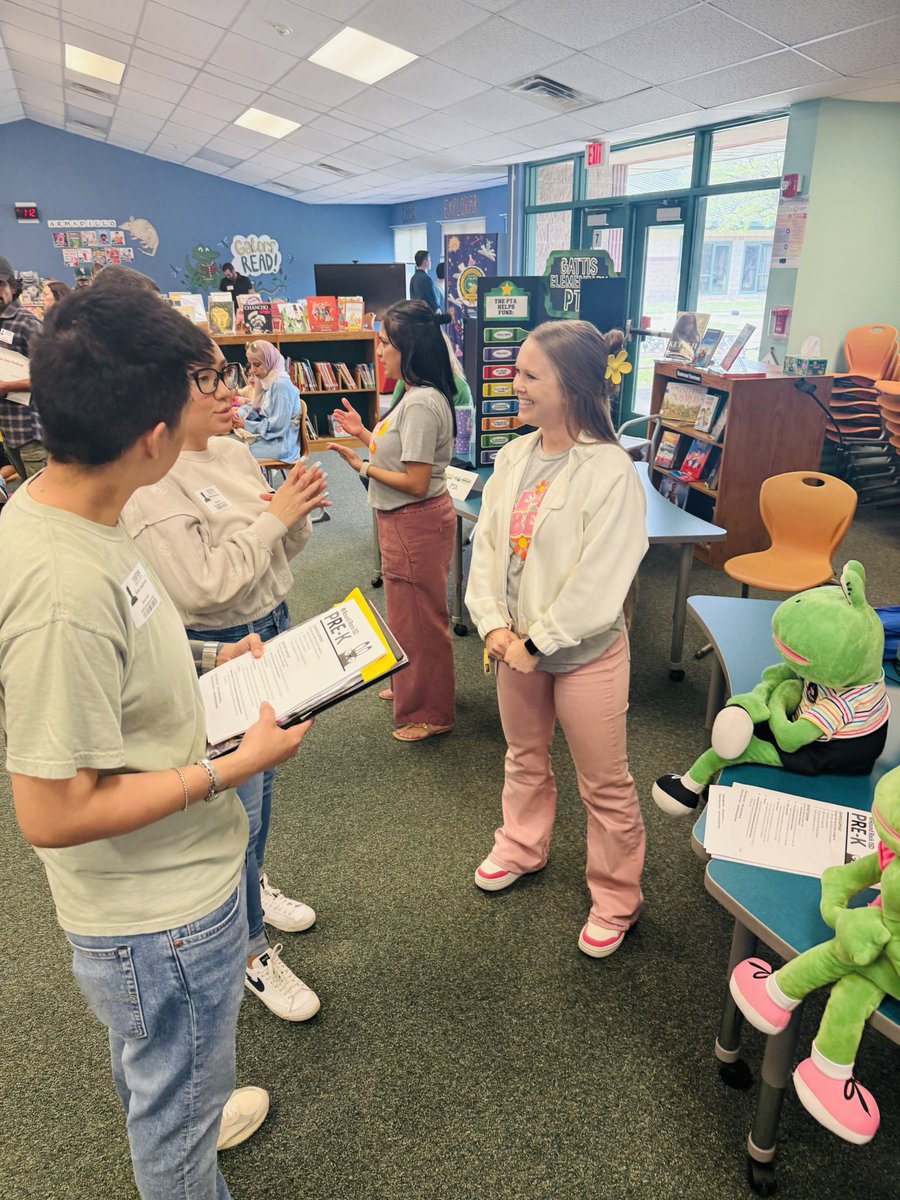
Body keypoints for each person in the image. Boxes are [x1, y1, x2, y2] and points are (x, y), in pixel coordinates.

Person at [0, 283, 312, 1196]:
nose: (221, 402)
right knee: (172, 1124)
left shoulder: (83, 507)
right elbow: (51, 811)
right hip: (156, 916)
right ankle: (184, 1131)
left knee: (172, 1071)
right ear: (150, 434)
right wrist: (226, 771)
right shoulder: (60, 587)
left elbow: (138, 638)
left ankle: (190, 1107)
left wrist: (213, 656)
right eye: (199, 389)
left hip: (169, 895)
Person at [124, 339, 329, 1022]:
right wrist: (275, 519)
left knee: (262, 791)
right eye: (204, 379)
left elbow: (280, 547)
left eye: (225, 375)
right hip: (216, 644)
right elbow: (204, 588)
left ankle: (252, 890)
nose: (226, 391)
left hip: (269, 624)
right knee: (236, 804)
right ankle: (249, 950)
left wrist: (288, 516)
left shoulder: (233, 451)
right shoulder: (152, 479)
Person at [465, 320, 649, 959]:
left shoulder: (610, 471)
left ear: (569, 386)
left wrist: (534, 643)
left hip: (581, 655)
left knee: (604, 783)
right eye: (516, 371)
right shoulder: (515, 455)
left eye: (527, 375)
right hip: (513, 646)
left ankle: (617, 895)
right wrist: (491, 620)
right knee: (523, 757)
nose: (513, 384)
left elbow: (600, 581)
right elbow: (487, 547)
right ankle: (521, 845)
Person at [328, 300, 456, 742]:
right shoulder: (412, 396)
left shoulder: (420, 403)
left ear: (408, 347)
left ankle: (431, 711)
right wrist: (364, 435)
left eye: (384, 342)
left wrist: (361, 466)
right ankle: (410, 682)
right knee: (406, 615)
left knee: (422, 620)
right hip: (405, 521)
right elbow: (400, 454)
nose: (378, 351)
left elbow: (416, 481)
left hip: (414, 520)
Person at [0, 256, 46, 481]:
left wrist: (7, 386)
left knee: (44, 500)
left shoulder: (27, 323)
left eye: (0, 284)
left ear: (12, 285)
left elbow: (51, 376)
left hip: (31, 433)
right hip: (9, 433)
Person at [233, 339, 302, 463]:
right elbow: (256, 406)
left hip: (280, 445)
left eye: (257, 365)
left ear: (270, 361)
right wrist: (238, 413)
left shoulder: (280, 386)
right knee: (228, 444)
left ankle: (254, 482)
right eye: (251, 364)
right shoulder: (268, 381)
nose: (252, 370)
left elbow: (277, 427)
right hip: (271, 439)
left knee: (234, 454)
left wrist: (246, 424)